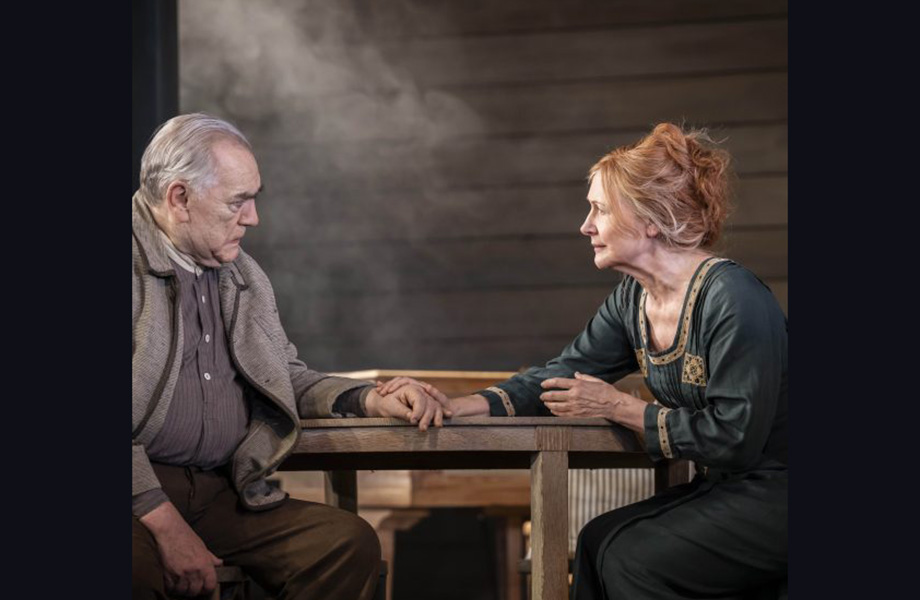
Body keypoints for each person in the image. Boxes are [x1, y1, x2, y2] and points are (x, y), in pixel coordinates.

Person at [379, 123, 788, 599]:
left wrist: (619, 407)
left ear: (648, 220)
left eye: (599, 210)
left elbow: (735, 438)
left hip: (777, 490)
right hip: (732, 490)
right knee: (596, 541)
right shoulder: (633, 298)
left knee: (634, 560)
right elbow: (563, 373)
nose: (585, 226)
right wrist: (457, 405)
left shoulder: (731, 296)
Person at [132, 113, 449, 600]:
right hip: (139, 497)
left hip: (220, 492)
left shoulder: (244, 277)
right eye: (237, 201)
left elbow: (286, 377)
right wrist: (167, 526)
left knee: (344, 545)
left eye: (254, 198)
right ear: (179, 198)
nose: (253, 217)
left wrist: (372, 400)